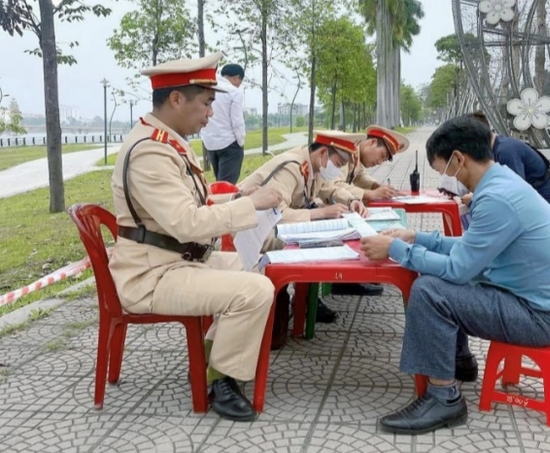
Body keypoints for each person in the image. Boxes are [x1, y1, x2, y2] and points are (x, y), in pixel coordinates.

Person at [359, 115, 550, 434]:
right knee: (441, 278)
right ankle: (459, 361)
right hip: (539, 305)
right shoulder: (502, 181)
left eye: (442, 170)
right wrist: (417, 238)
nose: (444, 179)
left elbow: (459, 269)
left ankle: (443, 397)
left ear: (459, 159)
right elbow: (473, 246)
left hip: (539, 319)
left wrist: (395, 250)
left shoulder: (496, 199)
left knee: (430, 289)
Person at [109, 52, 283, 422]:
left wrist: (241, 198)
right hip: (152, 275)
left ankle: (208, 360)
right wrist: (249, 207)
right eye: (206, 104)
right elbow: (186, 222)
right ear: (176, 100)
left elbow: (196, 202)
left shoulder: (163, 142)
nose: (210, 114)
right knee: (255, 290)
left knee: (258, 268)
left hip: (174, 261)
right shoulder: (149, 153)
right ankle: (221, 381)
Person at [238, 130, 369, 344]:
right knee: (313, 242)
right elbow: (275, 216)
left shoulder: (313, 167)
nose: (338, 170)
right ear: (323, 154)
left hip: (268, 228)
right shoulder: (292, 168)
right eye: (338, 163)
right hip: (252, 231)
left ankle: (305, 302)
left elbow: (330, 188)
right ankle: (301, 302)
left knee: (319, 236)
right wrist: (320, 213)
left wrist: (351, 200)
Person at [328, 125, 410, 297]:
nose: (379, 162)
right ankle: (339, 280)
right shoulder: (347, 149)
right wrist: (370, 193)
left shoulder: (357, 154)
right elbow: (334, 185)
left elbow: (358, 176)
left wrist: (377, 186)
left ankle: (348, 278)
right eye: (381, 156)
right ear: (372, 142)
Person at [447, 111, 550, 224]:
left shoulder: (506, 152)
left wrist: (476, 198)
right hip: (534, 207)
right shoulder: (495, 149)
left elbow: (514, 196)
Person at [200, 63, 246, 184]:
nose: (238, 85)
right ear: (236, 78)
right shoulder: (234, 92)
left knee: (219, 182)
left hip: (210, 144)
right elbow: (237, 121)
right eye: (239, 82)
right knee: (226, 187)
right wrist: (240, 142)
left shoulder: (207, 87)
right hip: (229, 144)